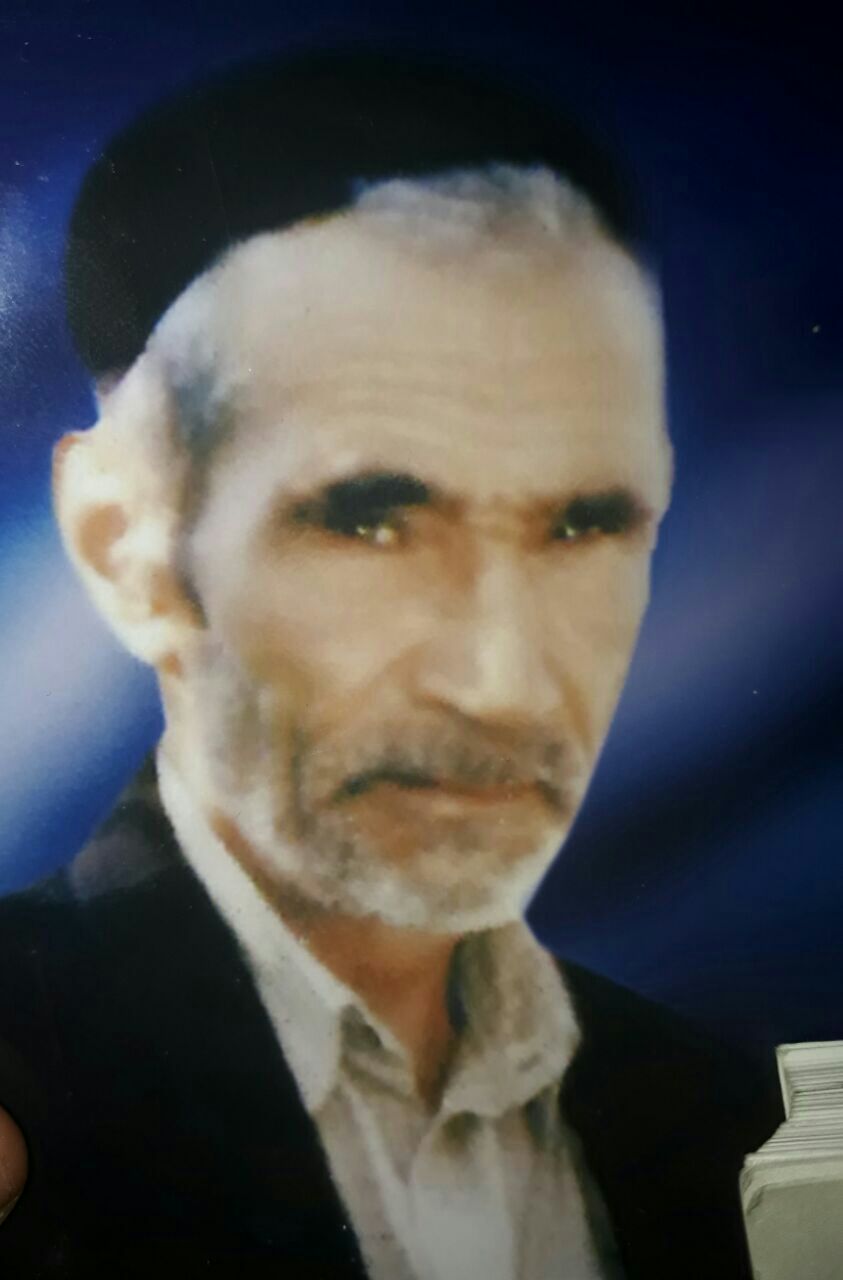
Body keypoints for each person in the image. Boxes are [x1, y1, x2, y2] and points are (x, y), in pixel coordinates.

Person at [0, 51, 780, 1278]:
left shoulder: (707, 1113)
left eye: (585, 524)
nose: (503, 678)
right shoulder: (28, 1057)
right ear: (123, 544)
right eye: (369, 519)